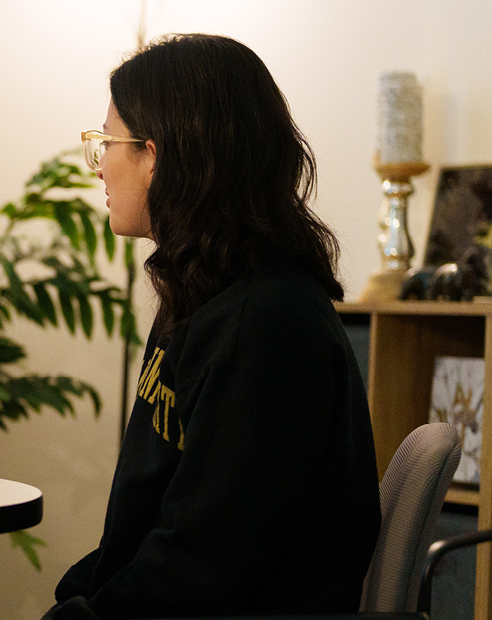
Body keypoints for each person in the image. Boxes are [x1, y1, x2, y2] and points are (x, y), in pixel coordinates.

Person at [48, 34, 381, 619]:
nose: (98, 166)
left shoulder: (265, 328)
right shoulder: (200, 298)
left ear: (156, 155)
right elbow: (154, 524)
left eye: (108, 143)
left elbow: (199, 567)